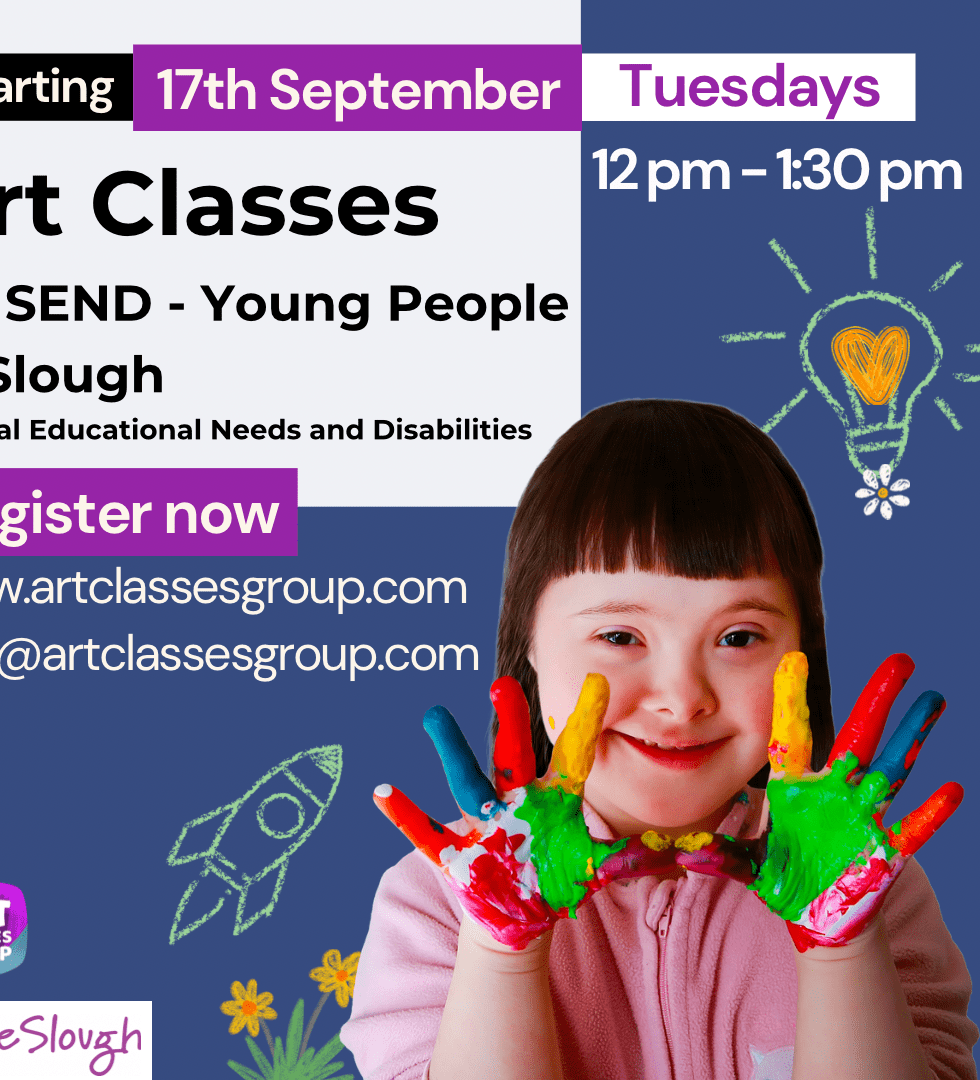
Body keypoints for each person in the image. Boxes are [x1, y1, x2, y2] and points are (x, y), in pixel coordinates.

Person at [341, 400, 977, 1080]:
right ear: (529, 642)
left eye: (738, 638)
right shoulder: (441, 897)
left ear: (805, 652)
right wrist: (502, 949)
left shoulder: (870, 886)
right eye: (620, 636)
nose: (681, 699)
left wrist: (842, 949)